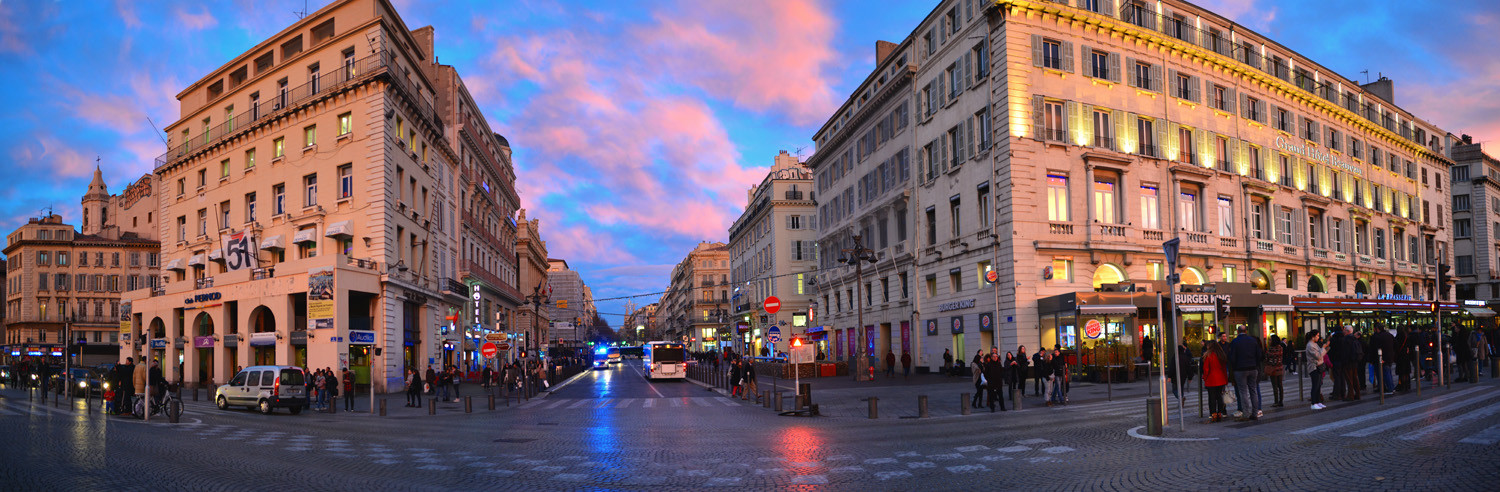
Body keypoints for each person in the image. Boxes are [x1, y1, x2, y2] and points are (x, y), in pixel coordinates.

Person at [1226, 326, 1263, 420]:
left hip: (1240, 369)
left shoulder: (1235, 342)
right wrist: (1255, 364)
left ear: (1238, 332)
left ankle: (1246, 414)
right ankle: (1255, 413)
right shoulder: (1253, 340)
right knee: (1253, 390)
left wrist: (1234, 367)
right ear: (1246, 331)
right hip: (1253, 368)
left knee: (1243, 392)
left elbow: (1232, 357)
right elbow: (1259, 355)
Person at [1203, 341, 1230, 422]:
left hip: (1211, 379)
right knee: (1219, 397)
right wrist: (1226, 379)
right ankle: (1220, 413)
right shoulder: (1221, 355)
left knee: (1212, 397)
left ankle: (1213, 413)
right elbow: (1224, 369)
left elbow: (1206, 369)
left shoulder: (1208, 355)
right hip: (1221, 379)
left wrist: (1205, 377)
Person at [1371, 324, 1396, 394]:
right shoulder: (1389, 335)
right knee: (1388, 372)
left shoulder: (1376, 337)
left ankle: (1387, 388)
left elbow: (1373, 349)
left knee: (1383, 373)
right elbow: (1395, 344)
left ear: (1377, 329)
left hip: (1380, 358)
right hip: (1389, 357)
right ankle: (1390, 387)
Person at [1341, 325, 1363, 400]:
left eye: (1344, 330)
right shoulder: (1354, 338)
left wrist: (1343, 361)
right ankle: (1358, 394)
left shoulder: (1346, 339)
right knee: (1355, 378)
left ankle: (1350, 396)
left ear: (1347, 331)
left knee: (1349, 379)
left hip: (1348, 362)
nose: (1343, 331)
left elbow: (1345, 352)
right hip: (1354, 362)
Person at [1265, 335, 1285, 408]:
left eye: (1270, 340)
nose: (1269, 341)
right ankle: (1281, 401)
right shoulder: (1281, 348)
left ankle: (1276, 401)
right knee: (1280, 385)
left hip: (1273, 370)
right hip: (1280, 369)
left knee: (1275, 386)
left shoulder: (1271, 349)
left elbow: (1267, 359)